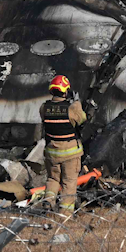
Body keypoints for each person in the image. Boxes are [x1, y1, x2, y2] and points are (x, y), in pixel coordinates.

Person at [39, 75, 88, 214]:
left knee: (53, 179)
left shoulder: (44, 108)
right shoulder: (71, 109)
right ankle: (64, 213)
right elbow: (82, 119)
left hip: (51, 152)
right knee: (69, 182)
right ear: (65, 91)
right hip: (70, 153)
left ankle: (48, 203)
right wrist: (77, 102)